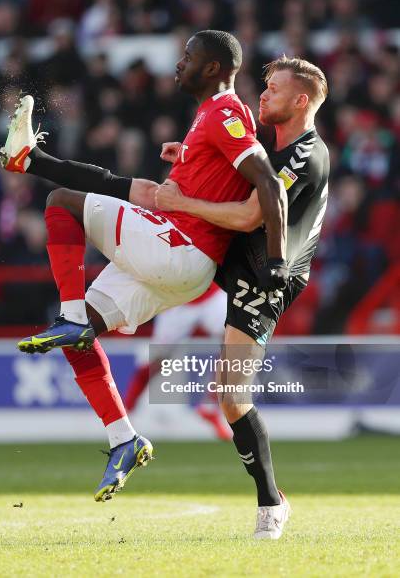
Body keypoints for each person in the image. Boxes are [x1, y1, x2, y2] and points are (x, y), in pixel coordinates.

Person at [0, 30, 288, 503]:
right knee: (78, 337)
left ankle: (70, 313)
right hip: (175, 264)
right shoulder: (206, 122)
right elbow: (129, 187)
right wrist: (36, 161)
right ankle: (124, 440)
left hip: (178, 249)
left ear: (213, 68)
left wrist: (276, 262)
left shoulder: (226, 112)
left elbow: (270, 186)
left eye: (188, 57)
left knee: (62, 205)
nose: (178, 64)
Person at [155, 56, 330, 539]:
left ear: (300, 101)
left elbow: (251, 215)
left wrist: (180, 199)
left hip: (267, 277)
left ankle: (271, 502)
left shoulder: (305, 154)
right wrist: (190, 161)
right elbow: (236, 179)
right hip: (240, 263)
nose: (263, 94)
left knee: (231, 397)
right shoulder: (271, 152)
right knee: (228, 395)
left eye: (274, 89)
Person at [124, 283, 233, 441]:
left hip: (210, 293)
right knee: (157, 362)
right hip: (176, 300)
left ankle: (210, 408)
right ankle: (127, 409)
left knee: (234, 345)